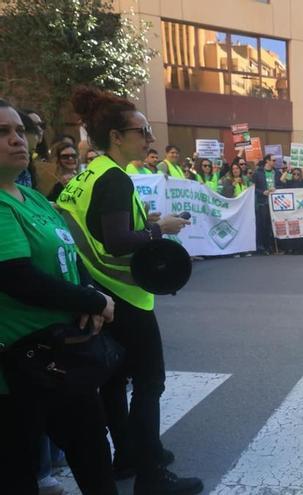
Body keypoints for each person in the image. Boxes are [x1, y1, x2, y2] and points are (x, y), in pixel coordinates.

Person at [55, 87, 201, 495]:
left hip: (98, 293)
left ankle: (127, 456)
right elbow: (118, 241)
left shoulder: (90, 174)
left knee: (115, 382)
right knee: (149, 383)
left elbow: (102, 228)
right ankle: (151, 475)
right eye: (142, 131)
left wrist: (145, 221)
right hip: (125, 295)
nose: (150, 139)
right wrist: (160, 229)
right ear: (116, 137)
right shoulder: (115, 179)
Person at [0, 98, 118, 495]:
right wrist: (93, 302)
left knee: (94, 457)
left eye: (20, 131)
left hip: (63, 362)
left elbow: (70, 253)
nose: (17, 139)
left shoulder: (32, 197)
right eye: (3, 132)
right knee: (17, 472)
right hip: (18, 369)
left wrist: (90, 290)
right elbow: (18, 278)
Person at [252, 157, 278, 255]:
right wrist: (263, 192)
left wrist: (276, 189)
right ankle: (261, 247)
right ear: (267, 161)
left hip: (274, 203)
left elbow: (281, 185)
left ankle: (270, 247)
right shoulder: (258, 173)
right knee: (262, 225)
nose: (275, 162)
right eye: (273, 160)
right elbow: (252, 187)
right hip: (262, 203)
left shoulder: (276, 173)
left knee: (271, 226)